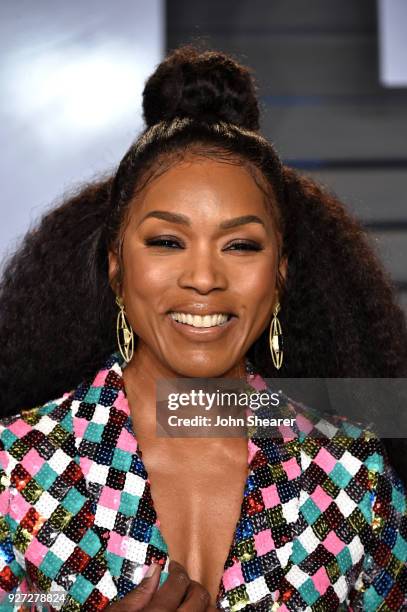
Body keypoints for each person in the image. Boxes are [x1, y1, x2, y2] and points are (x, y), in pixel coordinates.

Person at [0, 46, 406, 611]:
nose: (204, 278)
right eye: (168, 241)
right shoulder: (19, 471)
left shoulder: (349, 478)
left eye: (240, 245)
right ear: (116, 264)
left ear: (280, 273)